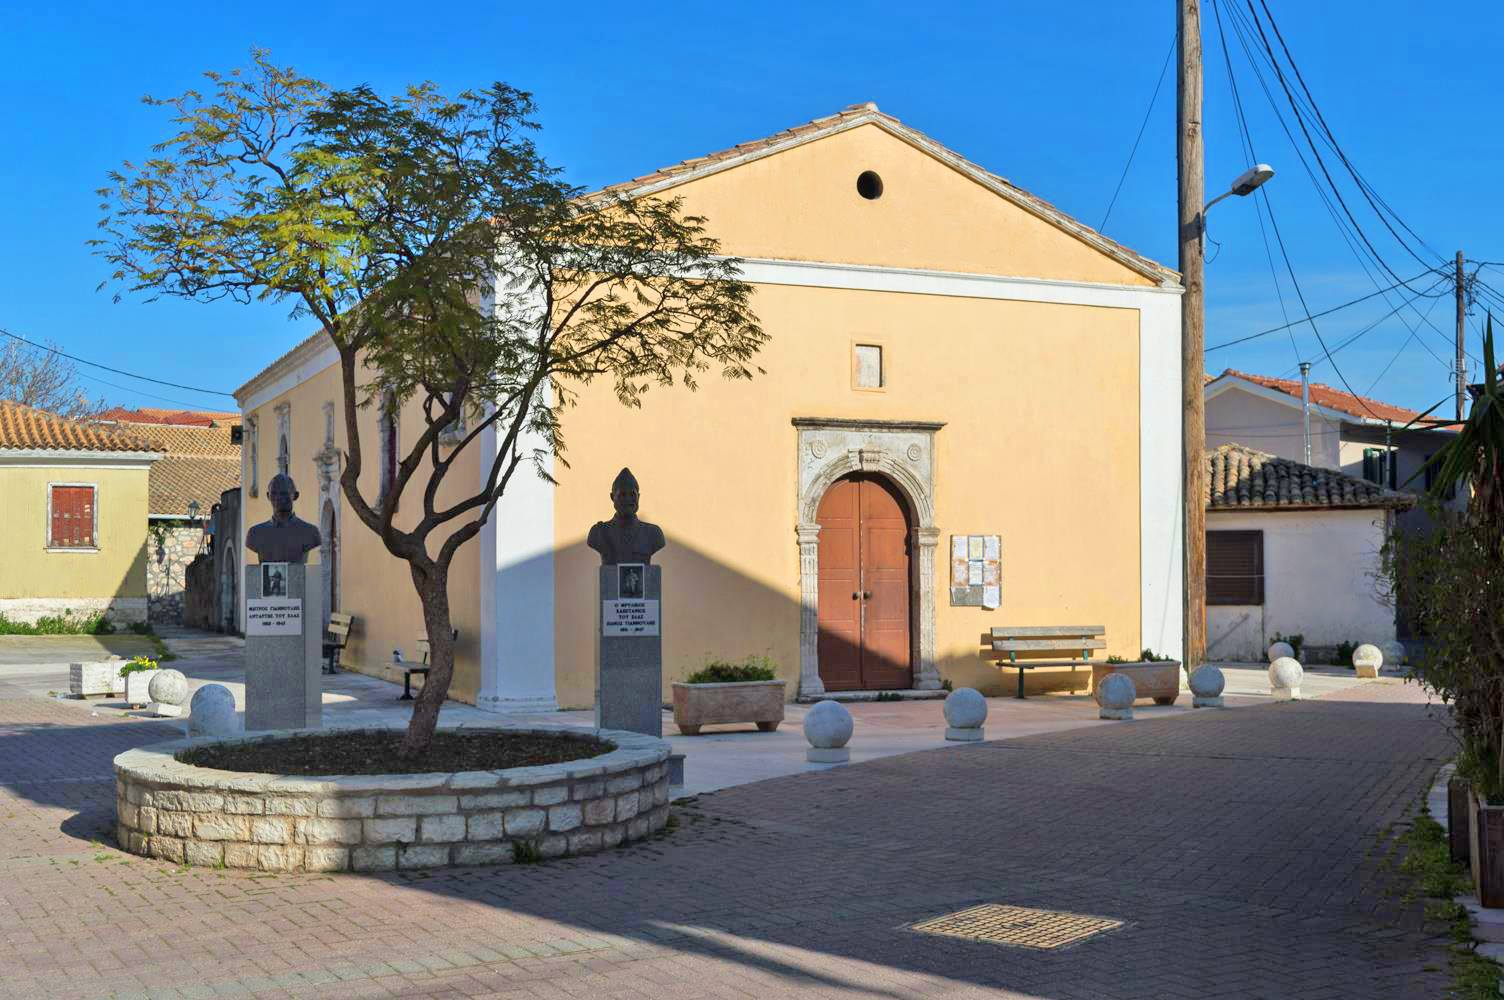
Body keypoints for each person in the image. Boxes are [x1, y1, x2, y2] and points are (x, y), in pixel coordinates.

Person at [587, 468, 666, 566]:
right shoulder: (599, 533)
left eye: (632, 494)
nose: (628, 499)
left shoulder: (653, 534)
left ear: (639, 497)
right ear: (612, 497)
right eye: (622, 495)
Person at [245, 473, 322, 564]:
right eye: (274, 493)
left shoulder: (311, 532)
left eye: (284, 493)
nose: (278, 498)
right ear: (268, 496)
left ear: (296, 495)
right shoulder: (255, 533)